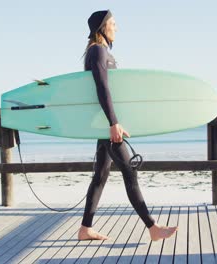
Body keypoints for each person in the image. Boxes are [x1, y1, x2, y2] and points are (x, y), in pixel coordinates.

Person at [77, 10, 179, 241]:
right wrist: (113, 123)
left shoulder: (99, 52)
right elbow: (102, 88)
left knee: (101, 176)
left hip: (104, 123)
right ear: (102, 27)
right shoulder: (98, 51)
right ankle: (153, 228)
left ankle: (85, 229)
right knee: (129, 173)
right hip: (107, 124)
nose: (116, 27)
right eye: (113, 23)